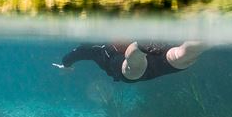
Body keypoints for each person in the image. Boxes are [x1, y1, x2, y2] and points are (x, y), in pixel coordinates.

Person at [53, 41, 209, 83]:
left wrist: (65, 66)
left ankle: (139, 47)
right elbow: (69, 58)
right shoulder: (89, 47)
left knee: (132, 70)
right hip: (157, 52)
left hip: (124, 64)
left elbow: (69, 58)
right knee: (180, 56)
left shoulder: (91, 48)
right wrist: (65, 64)